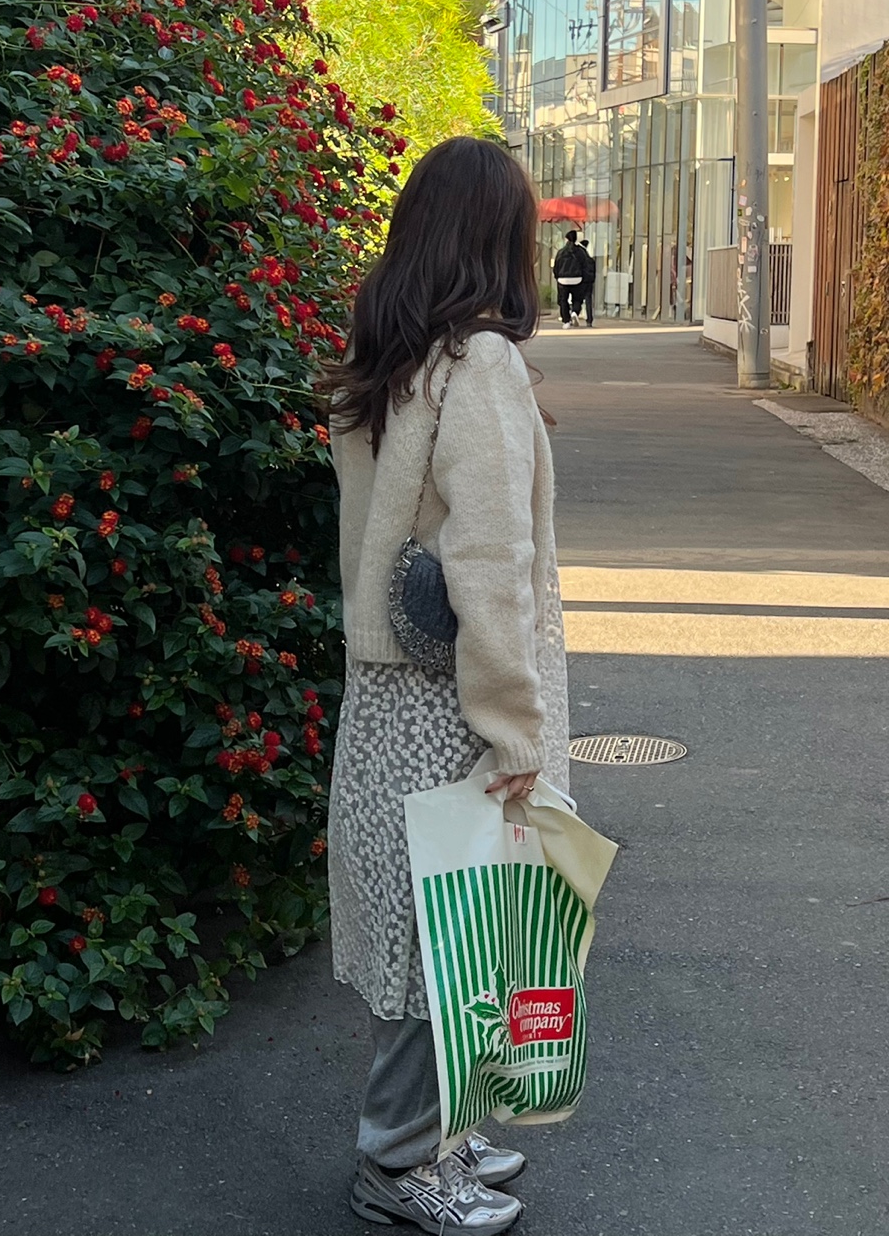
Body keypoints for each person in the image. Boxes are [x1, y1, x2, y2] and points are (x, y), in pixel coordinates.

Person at [319, 137, 571, 1236]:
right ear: (498, 239)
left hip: (390, 694)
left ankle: (442, 1136)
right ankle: (398, 1162)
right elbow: (489, 561)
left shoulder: (387, 358)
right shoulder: (481, 364)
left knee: (433, 925)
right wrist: (514, 728)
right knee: (450, 933)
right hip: (457, 698)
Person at [552, 228, 590, 328]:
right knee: (577, 299)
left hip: (563, 279)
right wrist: (584, 278)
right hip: (577, 279)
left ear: (566, 239)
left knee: (563, 300)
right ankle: (574, 312)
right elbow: (585, 266)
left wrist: (557, 276)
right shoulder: (581, 252)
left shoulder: (561, 252)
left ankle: (566, 321)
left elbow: (556, 266)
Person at [571, 238, 596, 328]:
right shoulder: (590, 259)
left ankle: (575, 313)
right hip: (589, 281)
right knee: (588, 300)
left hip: (580, 281)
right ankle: (589, 319)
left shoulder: (578, 258)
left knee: (577, 299)